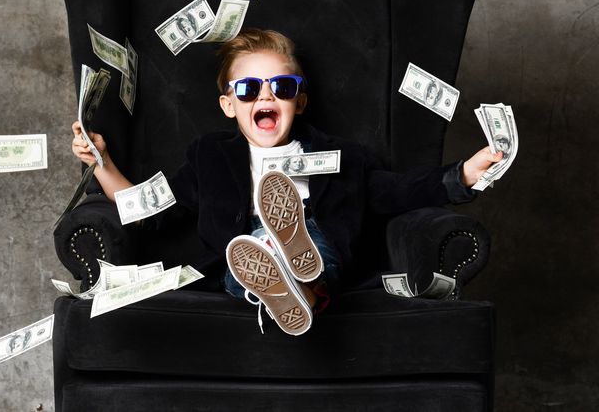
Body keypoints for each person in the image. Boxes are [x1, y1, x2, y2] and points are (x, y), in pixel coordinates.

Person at [70, 28, 502, 336]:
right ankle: (279, 288)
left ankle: (301, 278)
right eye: (248, 89)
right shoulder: (210, 158)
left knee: (316, 249)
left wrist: (463, 174)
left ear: (300, 101)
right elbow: (149, 209)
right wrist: (102, 161)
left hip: (313, 237)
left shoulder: (341, 158)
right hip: (242, 252)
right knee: (246, 259)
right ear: (228, 105)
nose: (265, 96)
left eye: (281, 85)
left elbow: (397, 190)